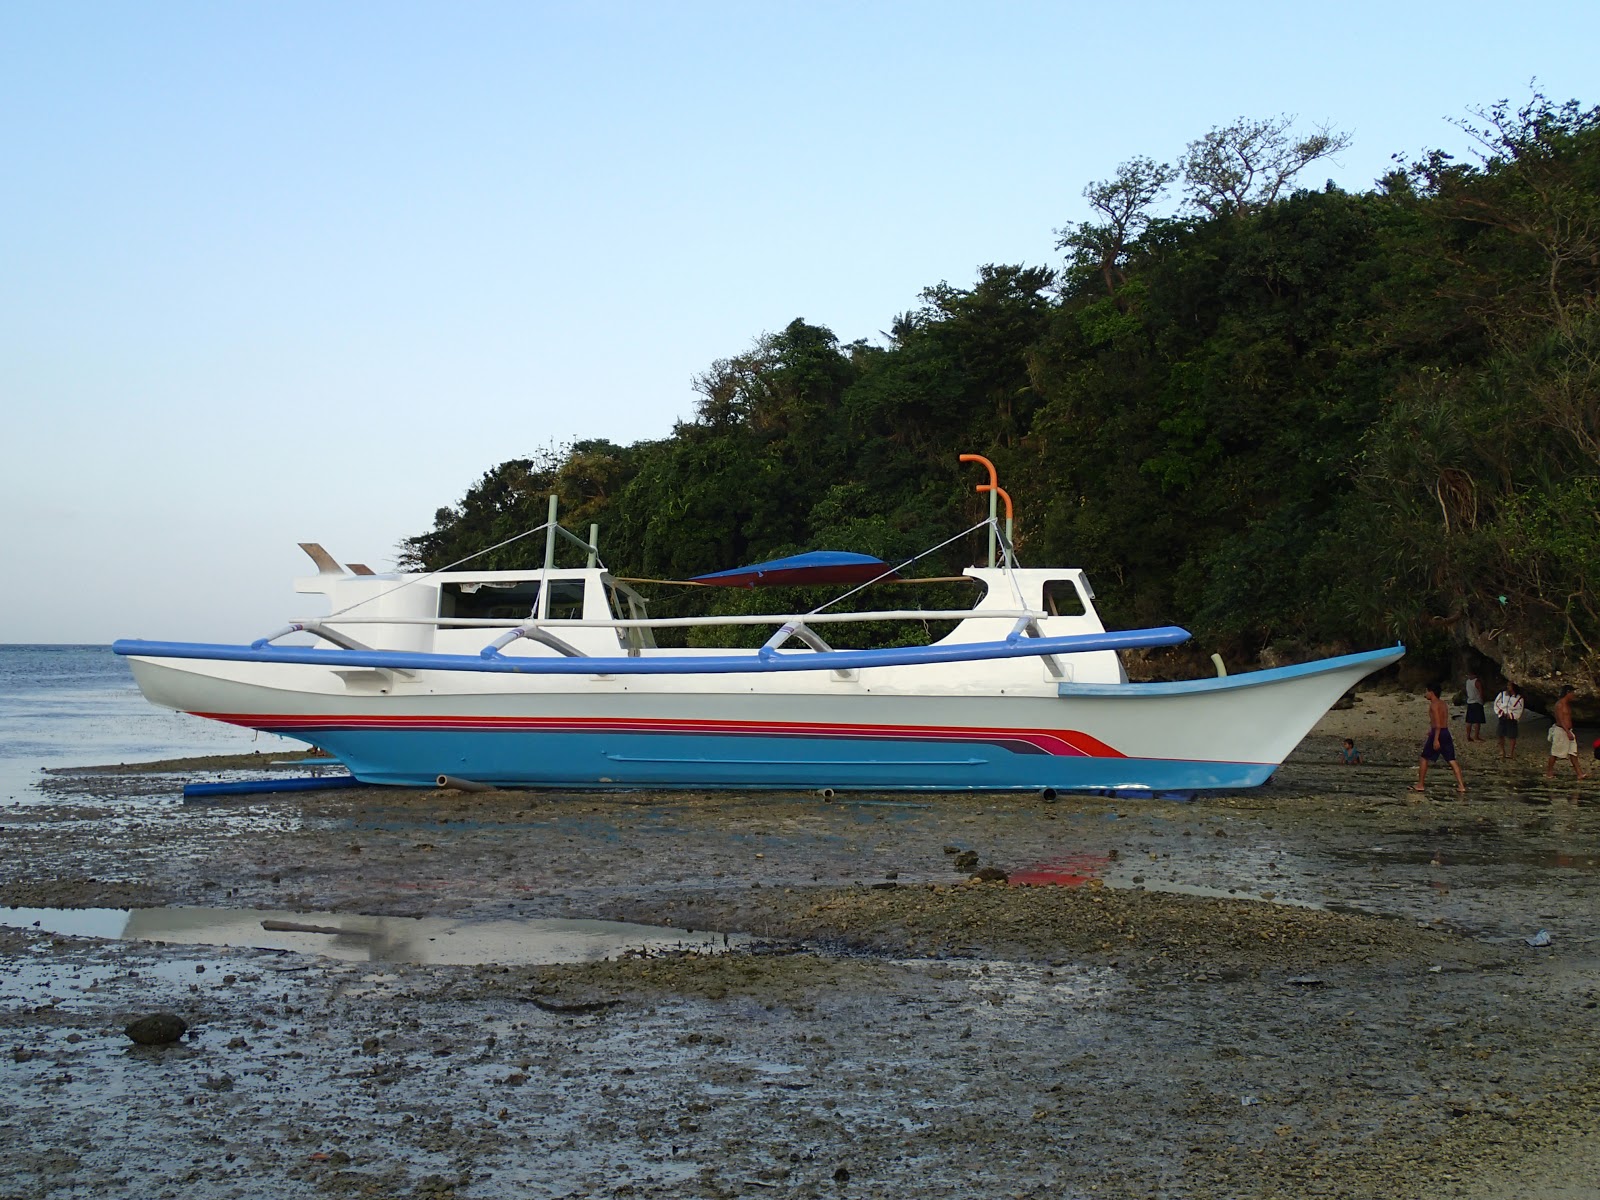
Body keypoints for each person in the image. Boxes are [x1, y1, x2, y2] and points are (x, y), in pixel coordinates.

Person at [1414, 683, 1466, 795]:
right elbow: (1442, 720)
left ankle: (1420, 784)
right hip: (1445, 731)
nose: (1425, 694)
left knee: (1424, 758)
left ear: (1431, 692)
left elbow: (1437, 722)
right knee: (1451, 759)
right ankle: (1461, 785)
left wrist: (1436, 738)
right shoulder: (1443, 703)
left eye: (1426, 691)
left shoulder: (1434, 705)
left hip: (1438, 733)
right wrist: (1431, 730)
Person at [1545, 685, 1587, 780]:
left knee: (1573, 752)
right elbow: (1560, 720)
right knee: (1555, 753)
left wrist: (1569, 731)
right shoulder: (1559, 704)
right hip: (1561, 731)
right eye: (1572, 693)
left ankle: (1579, 773)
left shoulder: (1567, 704)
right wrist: (1567, 732)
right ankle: (1549, 772)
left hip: (1568, 730)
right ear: (1568, 693)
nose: (1573, 695)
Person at [1493, 681, 1524, 759]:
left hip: (1512, 719)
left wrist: (1511, 716)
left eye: (1509, 686)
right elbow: (1496, 703)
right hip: (1502, 717)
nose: (1508, 687)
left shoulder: (1519, 698)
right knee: (1500, 734)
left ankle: (1511, 752)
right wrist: (1500, 712)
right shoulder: (1502, 694)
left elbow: (1520, 710)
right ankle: (1502, 751)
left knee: (1512, 736)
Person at [1463, 670, 1486, 741]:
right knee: (1477, 721)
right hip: (1477, 702)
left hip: (1470, 702)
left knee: (1469, 721)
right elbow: (1481, 692)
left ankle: (1468, 736)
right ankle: (1476, 736)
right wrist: (1482, 700)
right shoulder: (1477, 682)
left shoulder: (1467, 682)